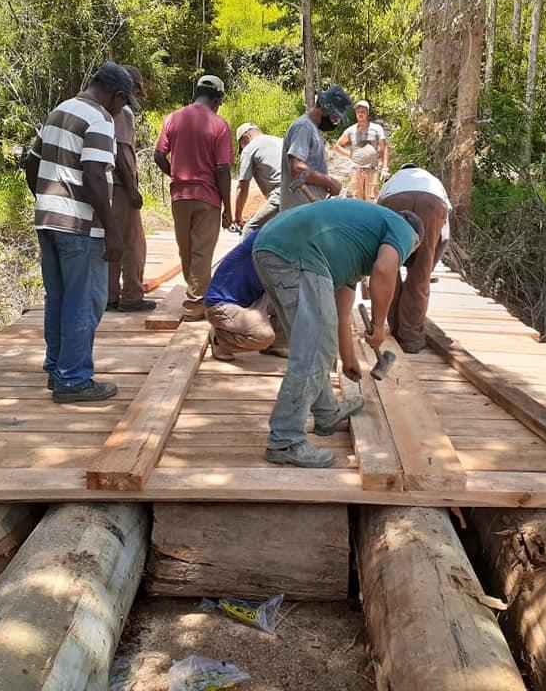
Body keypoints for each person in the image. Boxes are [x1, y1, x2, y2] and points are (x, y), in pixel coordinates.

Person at [252, 198, 423, 468]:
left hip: (273, 246)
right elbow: (385, 269)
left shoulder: (354, 249)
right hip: (298, 253)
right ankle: (285, 440)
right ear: (415, 243)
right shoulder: (403, 229)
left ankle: (327, 412)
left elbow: (341, 314)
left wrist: (349, 357)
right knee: (313, 349)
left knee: (316, 341)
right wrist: (379, 326)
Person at [24, 62, 137, 403]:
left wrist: (47, 199)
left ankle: (58, 367)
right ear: (118, 96)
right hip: (80, 227)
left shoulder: (59, 111)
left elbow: (31, 162)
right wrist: (113, 231)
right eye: (123, 102)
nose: (122, 109)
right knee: (85, 301)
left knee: (58, 297)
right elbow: (93, 177)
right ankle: (73, 379)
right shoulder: (100, 119)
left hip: (48, 220)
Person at [153, 74, 234, 321]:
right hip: (207, 197)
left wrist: (175, 174)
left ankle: (194, 294)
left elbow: (158, 155)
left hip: (179, 195)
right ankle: (195, 305)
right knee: (202, 251)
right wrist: (227, 208)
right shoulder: (219, 125)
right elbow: (222, 168)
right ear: (218, 99)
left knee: (185, 249)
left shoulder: (173, 119)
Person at [377, 164, 452, 353]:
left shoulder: (392, 182)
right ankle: (411, 338)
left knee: (390, 276)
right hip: (431, 204)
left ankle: (394, 332)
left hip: (394, 202)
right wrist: (428, 268)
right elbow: (445, 238)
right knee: (419, 280)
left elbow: (378, 226)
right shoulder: (434, 183)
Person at [107, 66, 154, 312]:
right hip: (121, 187)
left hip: (106, 187)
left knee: (112, 239)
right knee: (133, 243)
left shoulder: (103, 111)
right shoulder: (123, 112)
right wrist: (132, 189)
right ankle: (132, 295)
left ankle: (111, 295)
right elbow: (121, 152)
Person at [204, 230, 285, 360]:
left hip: (252, 299)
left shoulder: (281, 239)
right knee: (263, 336)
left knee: (293, 296)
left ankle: (278, 343)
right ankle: (221, 341)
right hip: (222, 305)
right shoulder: (265, 239)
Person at [279, 85, 352, 211]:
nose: (335, 124)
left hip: (308, 208)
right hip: (299, 210)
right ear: (323, 111)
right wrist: (329, 182)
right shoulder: (303, 127)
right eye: (335, 119)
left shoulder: (312, 128)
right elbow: (297, 168)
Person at [334, 99, 388, 201]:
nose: (360, 114)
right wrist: (350, 155)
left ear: (367, 113)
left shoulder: (377, 129)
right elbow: (337, 146)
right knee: (357, 201)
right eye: (358, 112)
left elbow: (384, 147)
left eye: (363, 111)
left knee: (372, 200)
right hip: (356, 170)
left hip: (372, 170)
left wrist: (385, 168)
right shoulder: (351, 130)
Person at [234, 123, 283, 232]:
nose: (243, 149)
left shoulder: (249, 149)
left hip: (281, 195)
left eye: (241, 145)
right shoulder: (280, 141)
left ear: (246, 137)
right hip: (301, 193)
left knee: (249, 229)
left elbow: (242, 187)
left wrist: (238, 218)